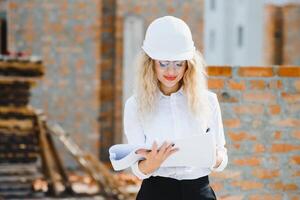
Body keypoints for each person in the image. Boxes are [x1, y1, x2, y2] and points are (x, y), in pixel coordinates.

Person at [123, 16, 228, 200]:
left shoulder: (208, 101)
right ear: (151, 63)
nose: (171, 71)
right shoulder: (135, 105)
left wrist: (214, 158)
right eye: (163, 63)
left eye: (179, 63)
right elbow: (138, 170)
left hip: (199, 192)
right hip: (156, 192)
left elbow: (222, 156)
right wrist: (152, 164)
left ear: (189, 64)